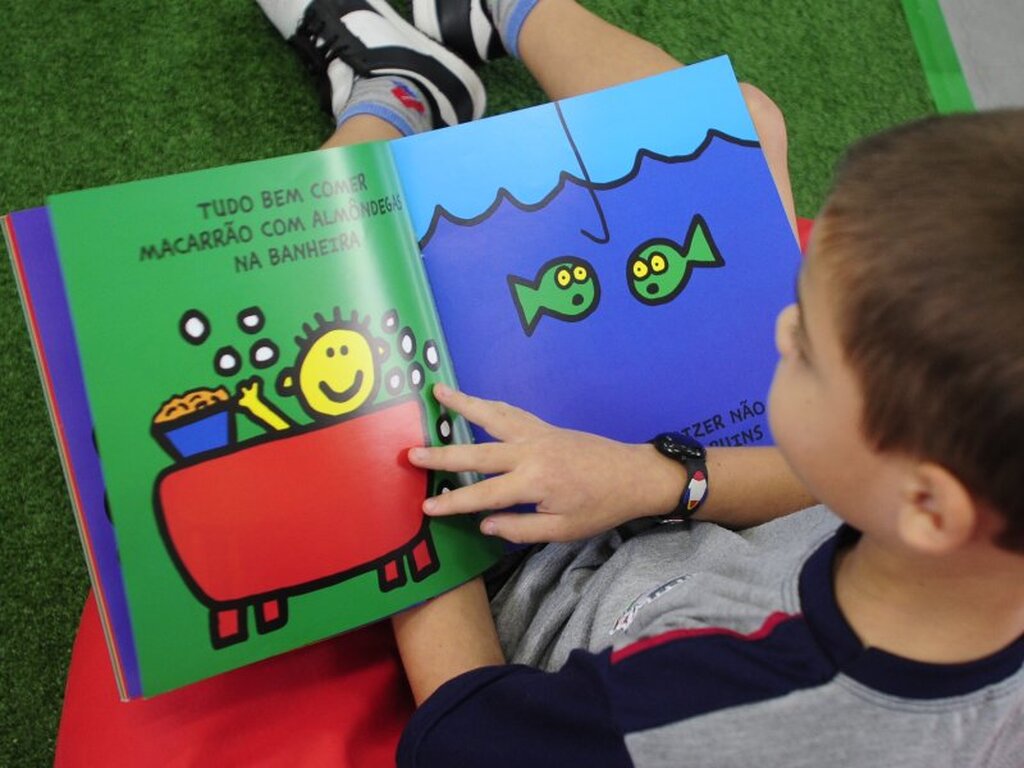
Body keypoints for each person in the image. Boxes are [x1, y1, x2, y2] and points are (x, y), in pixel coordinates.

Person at [256, 1, 1024, 765]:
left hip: (530, 544)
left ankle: (396, 96)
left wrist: (410, 500)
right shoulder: (953, 530)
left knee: (333, 289)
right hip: (676, 483)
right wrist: (658, 479)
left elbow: (466, 732)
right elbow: (832, 485)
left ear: (929, 504)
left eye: (809, 348)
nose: (780, 327)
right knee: (741, 128)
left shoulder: (684, 717)